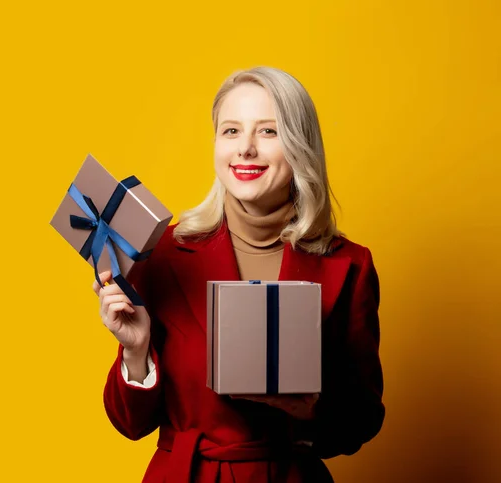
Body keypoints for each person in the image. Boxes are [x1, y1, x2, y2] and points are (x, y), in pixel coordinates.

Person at [95, 66, 385, 482]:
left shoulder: (349, 265)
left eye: (268, 131)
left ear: (301, 145)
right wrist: (135, 351)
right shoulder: (162, 253)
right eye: (231, 131)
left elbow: (362, 419)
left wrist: (311, 407)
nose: (245, 149)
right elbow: (129, 424)